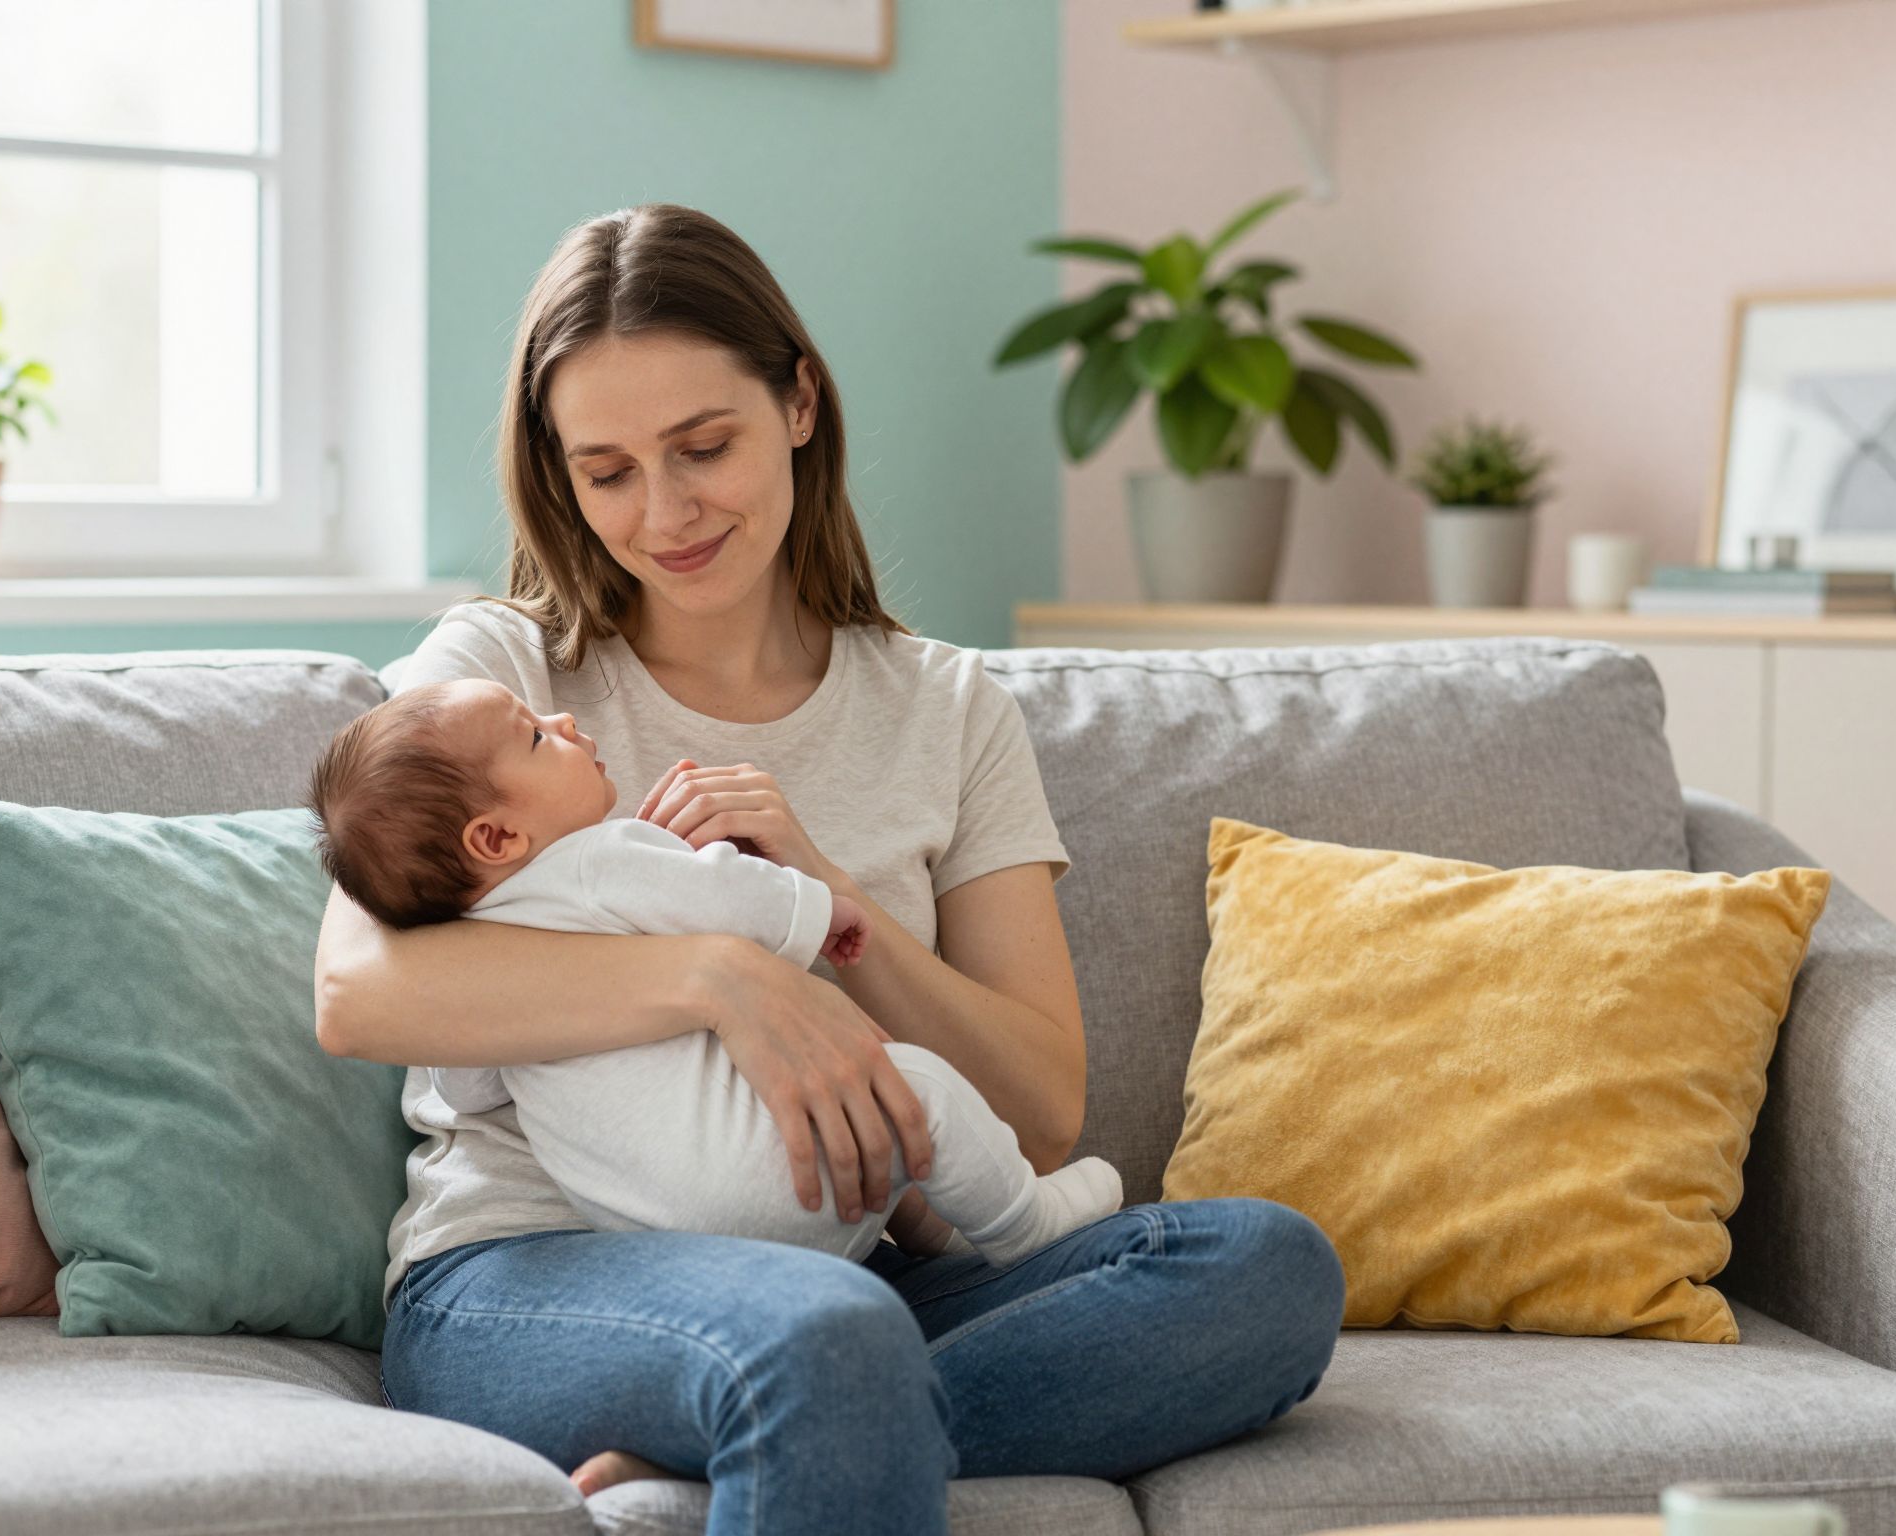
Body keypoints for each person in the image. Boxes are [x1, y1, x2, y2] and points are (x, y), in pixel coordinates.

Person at [314, 201, 1345, 1536]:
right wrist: (726, 976)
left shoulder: (951, 709)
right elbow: (358, 990)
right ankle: (799, 1404)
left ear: (799, 402)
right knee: (822, 1338)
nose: (665, 511)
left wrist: (838, 908)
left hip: (849, 1267)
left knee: (1264, 1268)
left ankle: (761, 1439)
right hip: (532, 1276)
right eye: (608, 469)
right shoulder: (501, 673)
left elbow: (1036, 1112)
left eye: (704, 446)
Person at [303, 676, 1124, 1265]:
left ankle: (708, 1411)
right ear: (494, 838)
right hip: (725, 1213)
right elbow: (723, 892)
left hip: (651, 1238)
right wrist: (819, 912)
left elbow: (468, 1084)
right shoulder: (600, 855)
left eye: (703, 448)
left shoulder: (482, 952)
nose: (561, 720)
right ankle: (1021, 1227)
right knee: (921, 1091)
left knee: (1227, 1254)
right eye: (536, 735)